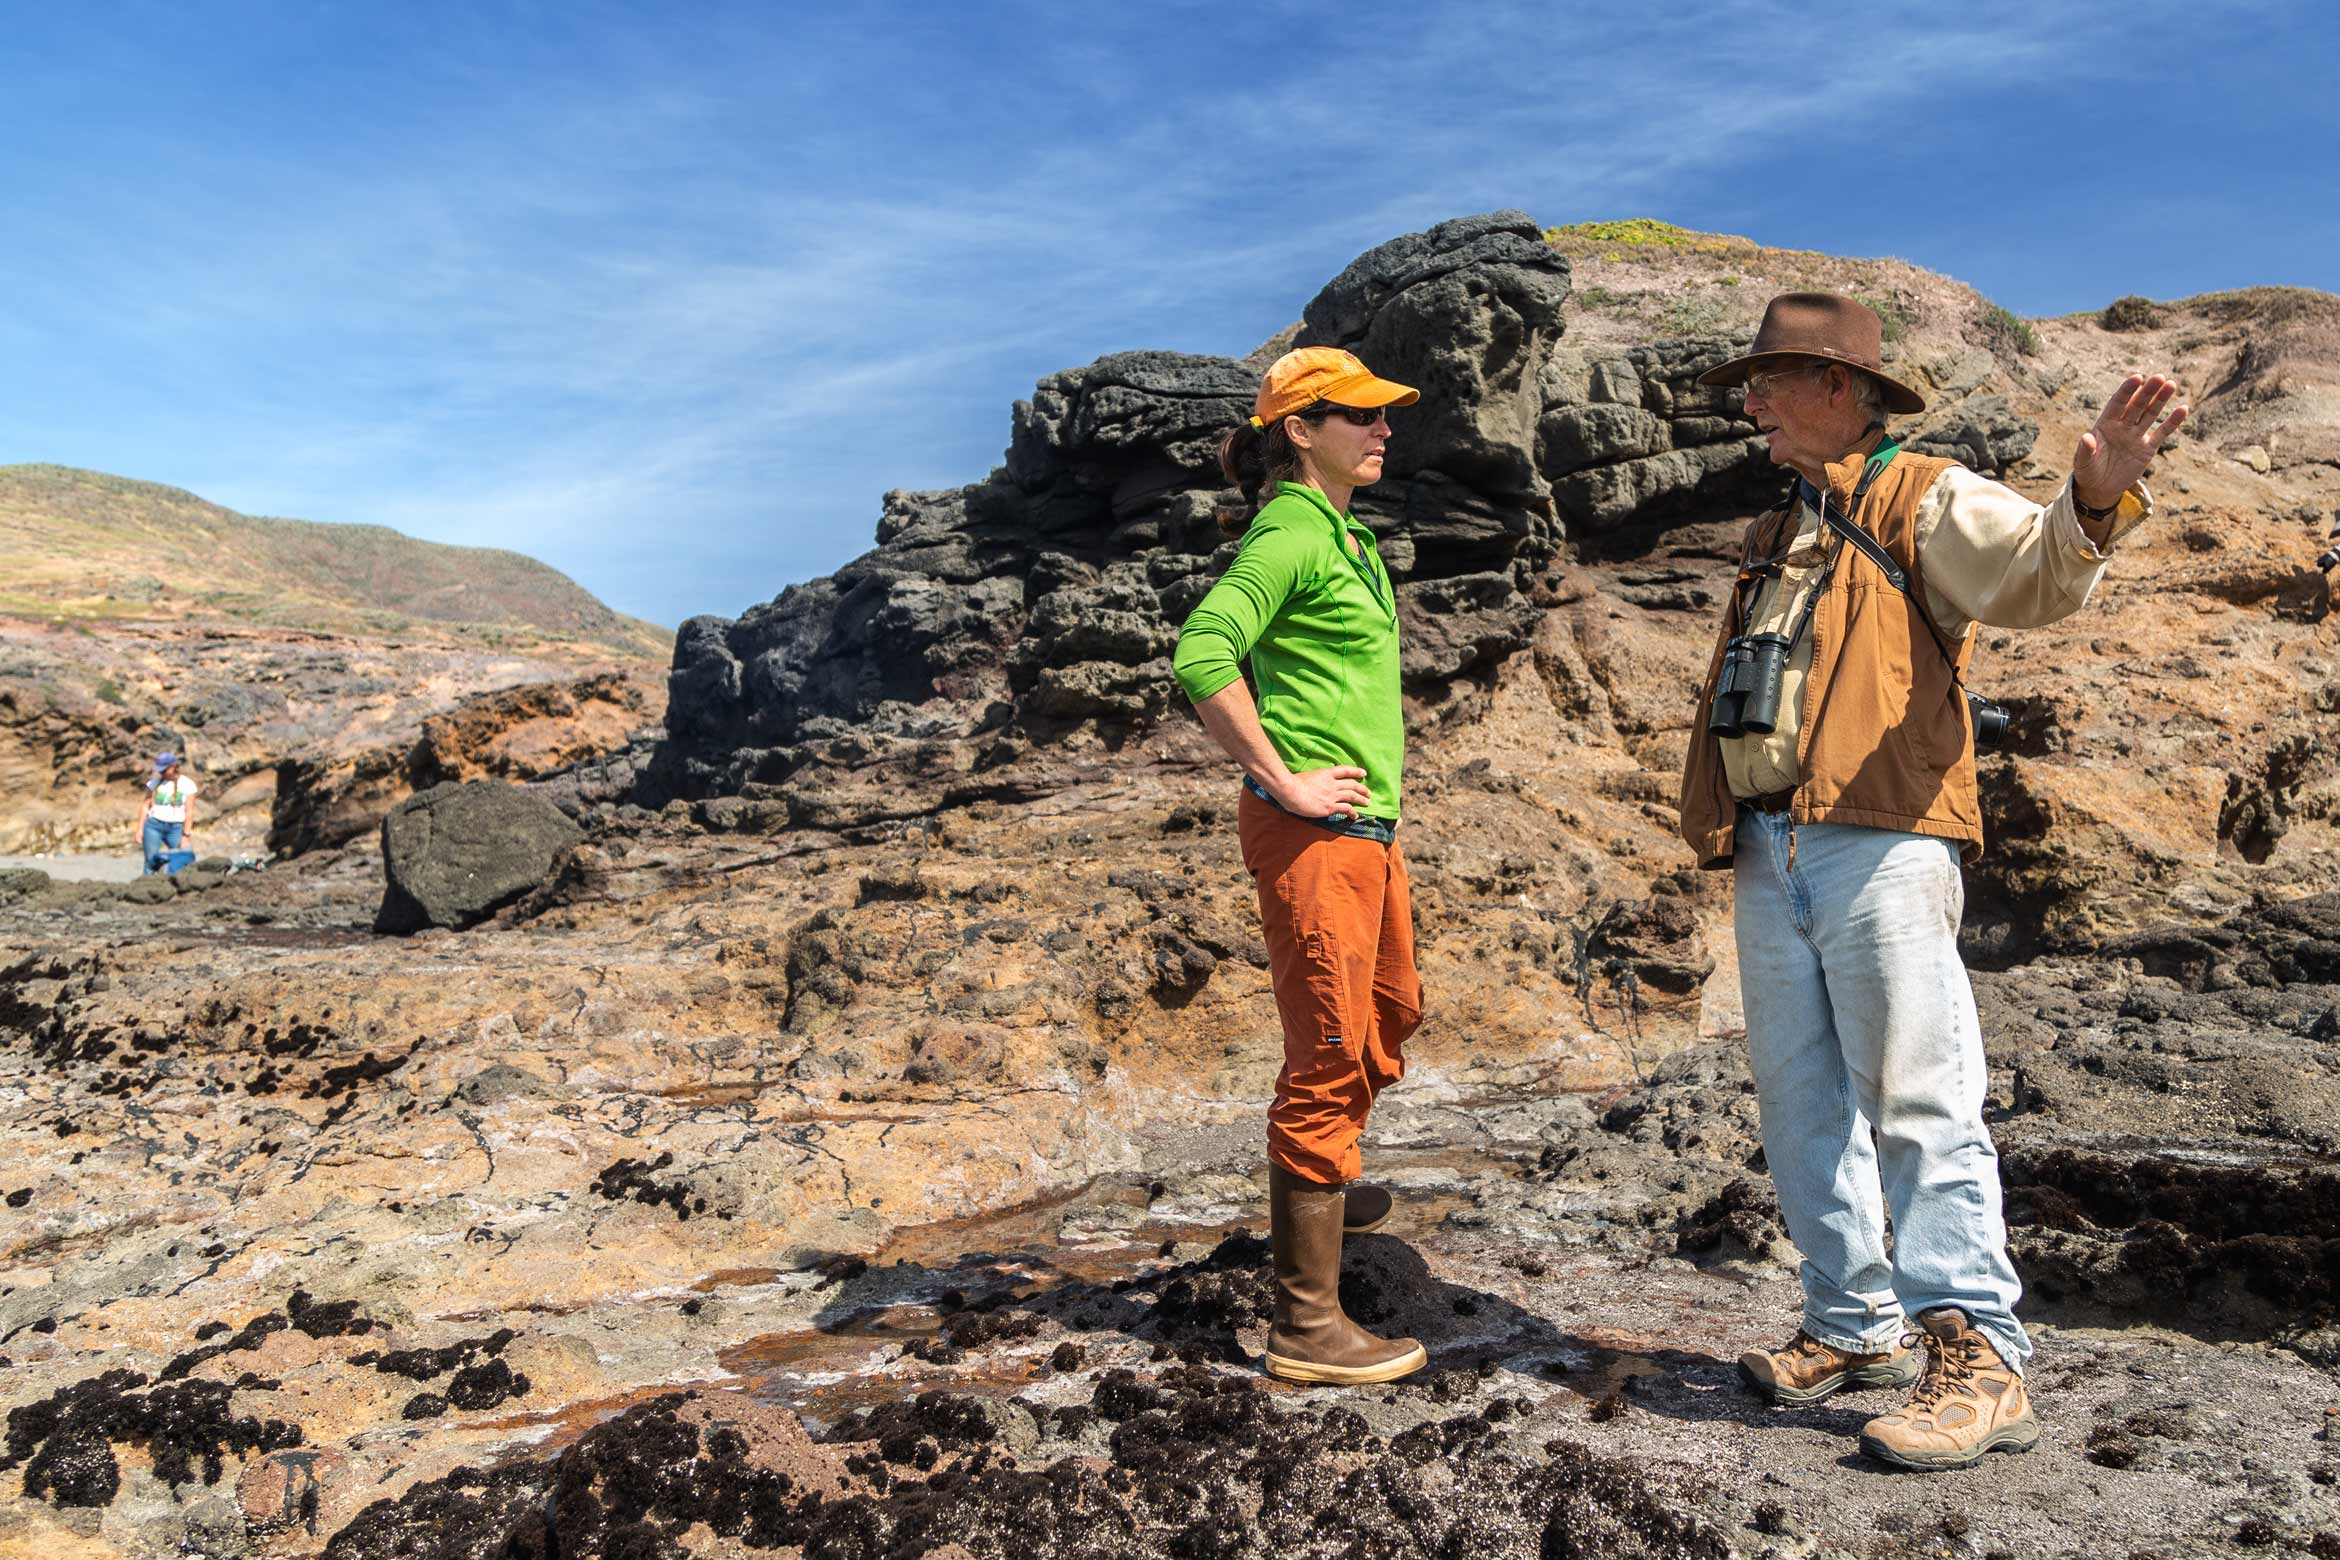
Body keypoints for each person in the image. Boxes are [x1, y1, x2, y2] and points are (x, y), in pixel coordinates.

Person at [1677, 293, 2187, 1470]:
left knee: (1918, 1099)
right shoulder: (1777, 525)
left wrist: (2094, 497)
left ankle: (1983, 1360)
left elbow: (2036, 579)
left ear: (1840, 388)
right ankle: (1856, 1327)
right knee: (1799, 1102)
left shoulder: (1928, 494)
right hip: (1770, 843)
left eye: (1768, 382)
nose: (1750, 405)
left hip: (1883, 837)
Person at [1171, 347, 1429, 1386]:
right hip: (1314, 837)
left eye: (1383, 415)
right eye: (1360, 416)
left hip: (1367, 834)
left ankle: (1328, 1184)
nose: (1383, 429)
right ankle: (1307, 1328)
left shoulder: (1344, 534)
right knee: (1326, 1054)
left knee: (1388, 1012)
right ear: (1300, 431)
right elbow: (1202, 653)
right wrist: (1281, 778)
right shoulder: (1289, 531)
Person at [139, 752, 199, 875]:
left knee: (179, 860)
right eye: (160, 770)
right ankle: (147, 883)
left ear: (173, 766)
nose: (161, 772)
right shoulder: (154, 783)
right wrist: (139, 829)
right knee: (150, 861)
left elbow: (189, 812)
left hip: (176, 828)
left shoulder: (187, 784)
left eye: (164, 769)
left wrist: (186, 835)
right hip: (153, 825)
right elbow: (145, 806)